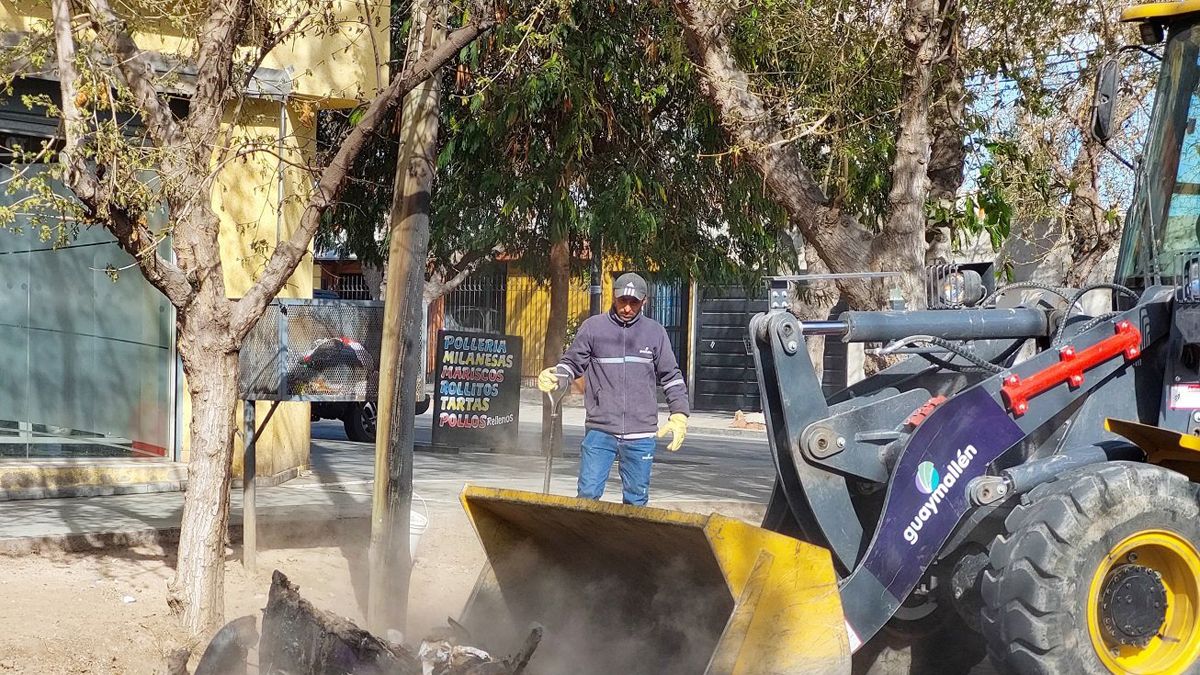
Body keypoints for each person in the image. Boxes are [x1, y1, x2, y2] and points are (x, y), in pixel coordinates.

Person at [537, 272, 689, 506]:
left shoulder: (655, 332)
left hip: (641, 433)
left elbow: (671, 376)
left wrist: (679, 413)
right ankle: (584, 541)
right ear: (613, 297)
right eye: (622, 301)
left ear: (644, 301)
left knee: (637, 500)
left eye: (634, 302)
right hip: (601, 429)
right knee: (587, 495)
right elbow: (572, 362)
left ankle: (630, 543)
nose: (627, 308)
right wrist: (557, 374)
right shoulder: (593, 328)